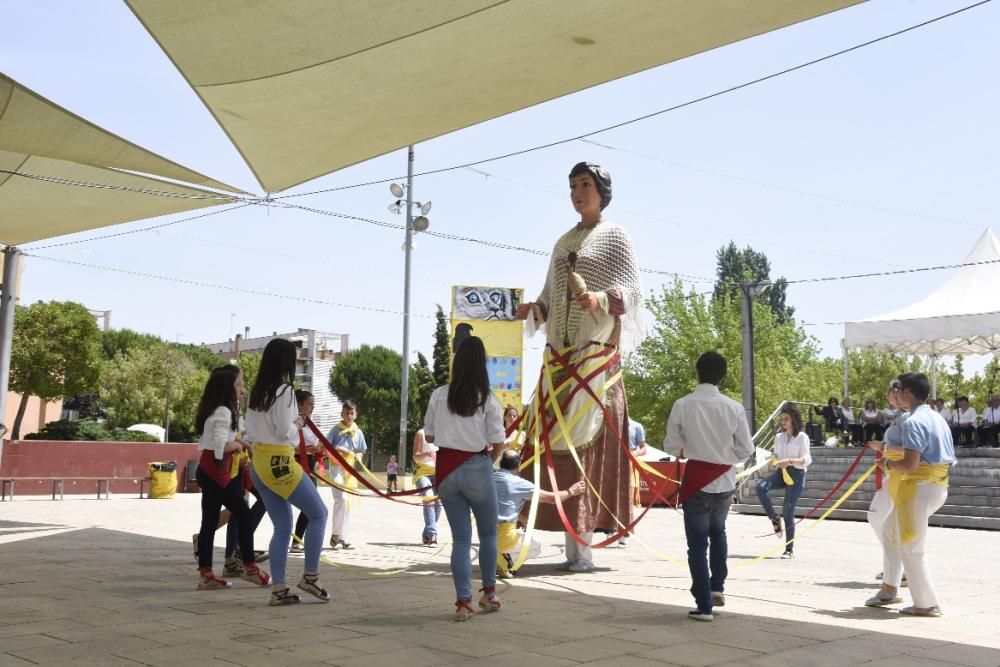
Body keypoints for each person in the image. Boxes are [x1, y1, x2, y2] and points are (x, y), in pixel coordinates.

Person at [514, 161, 644, 574]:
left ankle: (582, 548)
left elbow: (633, 291)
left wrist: (602, 300)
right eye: (572, 185)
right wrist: (534, 309)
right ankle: (538, 535)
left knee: (586, 448)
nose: (577, 192)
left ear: (602, 190)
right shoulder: (562, 241)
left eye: (585, 184)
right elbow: (550, 297)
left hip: (594, 363)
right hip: (558, 362)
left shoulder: (616, 236)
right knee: (548, 447)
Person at [663, 351, 754, 622]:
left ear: (697, 371)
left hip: (696, 482)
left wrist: (693, 447)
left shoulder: (683, 404)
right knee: (719, 532)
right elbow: (746, 449)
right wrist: (724, 458)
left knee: (697, 545)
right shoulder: (734, 407)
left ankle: (704, 605)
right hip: (725, 480)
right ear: (722, 376)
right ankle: (717, 587)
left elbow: (671, 446)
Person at [424, 336, 507, 621]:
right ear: (482, 364)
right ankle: (489, 593)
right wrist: (490, 462)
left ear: (456, 362)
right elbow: (499, 441)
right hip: (477, 466)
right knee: (488, 534)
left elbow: (430, 436)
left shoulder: (438, 394)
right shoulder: (488, 397)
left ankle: (463, 602)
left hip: (446, 470)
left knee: (460, 539)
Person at [246, 338, 330, 606]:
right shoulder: (284, 391)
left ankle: (279, 588)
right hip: (279, 462)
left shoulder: (258, 392)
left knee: (282, 526)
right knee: (319, 513)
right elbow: (287, 433)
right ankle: (311, 576)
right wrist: (298, 423)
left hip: (259, 462)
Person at [865, 372, 955, 617]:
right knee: (890, 530)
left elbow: (909, 464)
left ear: (907, 393)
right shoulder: (936, 417)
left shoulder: (915, 421)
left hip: (919, 487)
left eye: (900, 389)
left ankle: (927, 603)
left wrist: (889, 465)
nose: (896, 394)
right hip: (933, 485)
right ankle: (889, 588)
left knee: (911, 546)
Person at [193, 367, 269, 590]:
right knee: (244, 516)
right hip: (216, 472)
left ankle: (207, 575)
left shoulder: (217, 410)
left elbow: (220, 443)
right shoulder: (223, 411)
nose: (242, 389)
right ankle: (250, 568)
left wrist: (240, 444)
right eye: (238, 385)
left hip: (209, 470)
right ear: (227, 388)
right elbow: (220, 449)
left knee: (208, 523)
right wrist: (238, 445)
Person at [494, 450, 586, 578]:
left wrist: (520, 516)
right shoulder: (518, 483)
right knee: (535, 546)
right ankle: (504, 563)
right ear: (518, 465)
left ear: (501, 464)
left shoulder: (488, 479)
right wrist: (571, 491)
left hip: (486, 534)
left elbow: (498, 503)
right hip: (504, 535)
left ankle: (498, 557)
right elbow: (551, 499)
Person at [865, 380, 908, 588]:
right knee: (878, 516)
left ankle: (900, 567)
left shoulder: (907, 418)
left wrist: (883, 448)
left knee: (882, 518)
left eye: (891, 391)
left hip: (900, 475)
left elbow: (910, 449)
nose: (888, 395)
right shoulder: (898, 416)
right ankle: (896, 564)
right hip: (892, 473)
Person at [755, 403, 811, 559]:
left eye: (786, 418)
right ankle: (774, 519)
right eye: (781, 419)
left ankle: (789, 549)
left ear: (793, 418)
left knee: (788, 510)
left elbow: (807, 459)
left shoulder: (802, 437)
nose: (783, 422)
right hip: (781, 472)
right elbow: (778, 456)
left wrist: (790, 461)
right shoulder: (778, 438)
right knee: (761, 487)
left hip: (797, 475)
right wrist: (775, 460)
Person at [326, 401, 367, 550]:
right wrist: (339, 449)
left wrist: (359, 456)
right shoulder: (335, 430)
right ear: (341, 414)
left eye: (352, 413)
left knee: (347, 502)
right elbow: (326, 446)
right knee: (341, 499)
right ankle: (335, 534)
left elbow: (362, 450)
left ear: (355, 415)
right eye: (346, 413)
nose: (349, 416)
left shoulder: (358, 432)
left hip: (350, 470)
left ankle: (343, 537)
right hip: (336, 467)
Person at [291, 390, 322, 553]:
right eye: (310, 404)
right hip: (297, 464)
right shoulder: (294, 422)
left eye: (313, 404)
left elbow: (311, 444)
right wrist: (310, 450)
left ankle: (298, 540)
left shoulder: (309, 423)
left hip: (309, 466)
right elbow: (290, 447)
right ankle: (296, 540)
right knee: (311, 505)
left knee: (313, 504)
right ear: (300, 404)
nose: (312, 407)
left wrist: (316, 451)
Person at [618, 417, 648, 547]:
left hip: (629, 462)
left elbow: (643, 449)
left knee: (627, 498)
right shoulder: (611, 422)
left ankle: (625, 532)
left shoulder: (637, 426)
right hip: (613, 460)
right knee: (611, 495)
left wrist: (634, 454)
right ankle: (610, 528)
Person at [412, 428, 442, 546]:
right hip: (423, 473)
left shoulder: (444, 433)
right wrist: (427, 454)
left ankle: (427, 533)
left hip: (439, 474)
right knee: (429, 500)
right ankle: (432, 535)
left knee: (438, 505)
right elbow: (415, 456)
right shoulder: (421, 433)